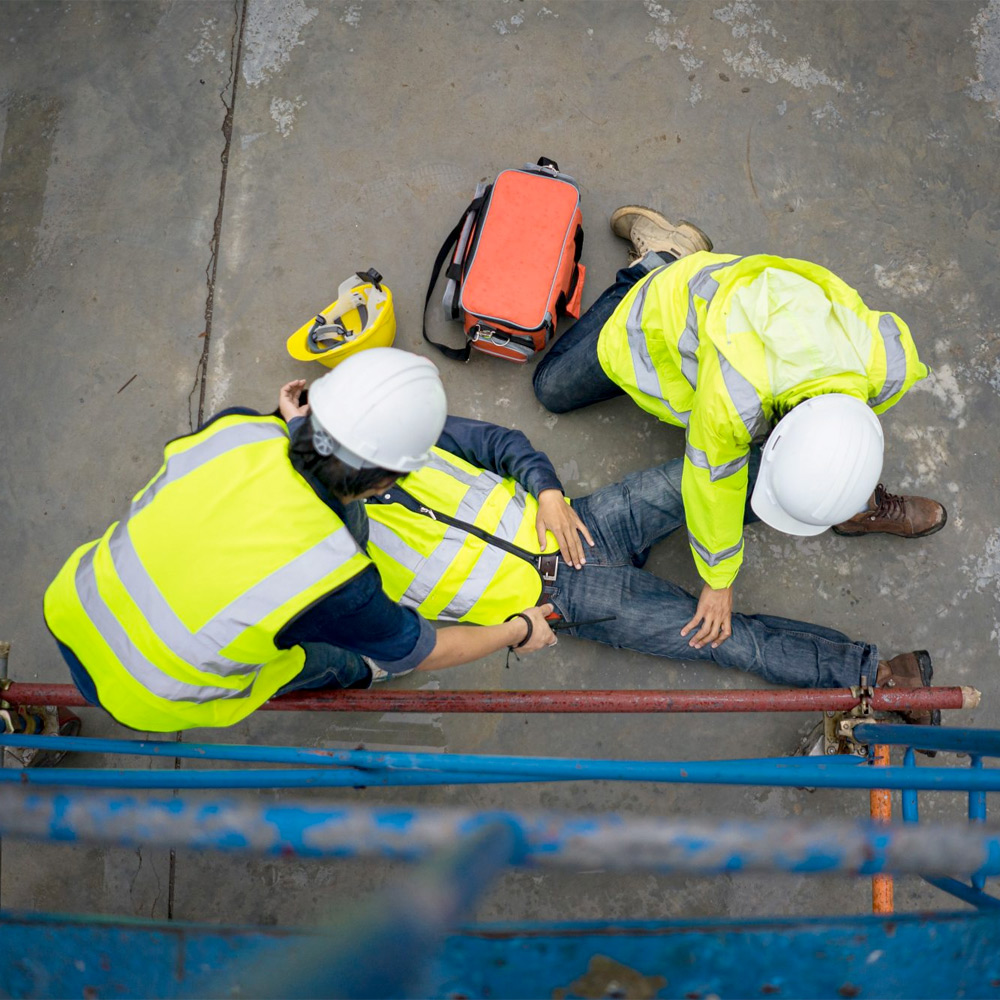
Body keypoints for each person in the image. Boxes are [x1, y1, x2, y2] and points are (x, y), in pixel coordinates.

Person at [43, 348, 557, 733]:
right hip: (151, 691)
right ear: (385, 483)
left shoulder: (237, 428)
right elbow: (426, 651)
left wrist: (294, 428)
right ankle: (361, 671)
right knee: (326, 655)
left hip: (76, 601)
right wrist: (518, 629)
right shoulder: (337, 575)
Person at [532, 206, 947, 652]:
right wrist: (719, 580)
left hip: (742, 319)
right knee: (552, 389)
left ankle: (855, 504)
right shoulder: (733, 401)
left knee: (809, 464)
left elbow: (848, 432)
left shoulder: (888, 362)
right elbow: (712, 484)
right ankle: (660, 258)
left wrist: (843, 478)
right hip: (660, 314)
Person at [361, 412, 938, 725]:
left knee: (711, 477)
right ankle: (880, 677)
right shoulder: (333, 569)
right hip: (564, 601)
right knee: (726, 640)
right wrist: (518, 631)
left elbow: (497, 442)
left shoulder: (381, 433)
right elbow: (406, 649)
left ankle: (843, 499)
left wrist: (548, 493)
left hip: (580, 520)